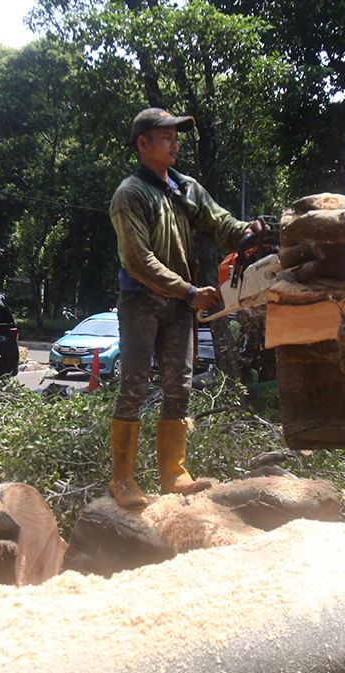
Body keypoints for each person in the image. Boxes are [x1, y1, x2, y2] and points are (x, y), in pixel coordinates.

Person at [108, 106, 258, 506]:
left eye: (177, 135)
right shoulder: (130, 194)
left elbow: (221, 224)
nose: (175, 142)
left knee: (180, 387)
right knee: (135, 385)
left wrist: (250, 234)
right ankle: (122, 479)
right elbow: (140, 261)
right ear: (143, 143)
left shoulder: (185, 187)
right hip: (142, 301)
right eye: (166, 136)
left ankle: (173, 473)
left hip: (178, 305)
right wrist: (190, 292)